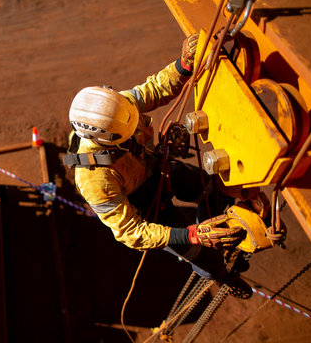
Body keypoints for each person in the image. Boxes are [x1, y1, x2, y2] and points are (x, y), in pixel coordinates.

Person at [63, 33, 248, 283]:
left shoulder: (118, 108)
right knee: (201, 253)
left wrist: (183, 66)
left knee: (215, 188)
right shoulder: (94, 180)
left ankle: (214, 223)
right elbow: (131, 232)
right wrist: (192, 235)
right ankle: (219, 273)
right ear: (104, 138)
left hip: (159, 169)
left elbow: (155, 89)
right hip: (146, 207)